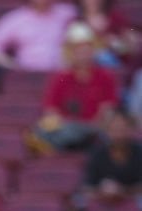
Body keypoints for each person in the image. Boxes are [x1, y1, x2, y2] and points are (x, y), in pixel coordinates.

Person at [30, 21, 119, 153]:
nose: (83, 53)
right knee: (42, 130)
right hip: (67, 128)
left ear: (93, 50)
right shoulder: (60, 78)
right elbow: (51, 110)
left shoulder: (105, 76)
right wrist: (66, 125)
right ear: (70, 52)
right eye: (77, 49)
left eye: (86, 48)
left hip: (95, 130)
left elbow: (108, 109)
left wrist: (91, 126)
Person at [0, 0, 77, 74]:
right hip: (28, 77)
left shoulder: (68, 13)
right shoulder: (16, 19)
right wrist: (9, 63)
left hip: (62, 76)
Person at [82, 107, 142, 206]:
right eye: (114, 129)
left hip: (135, 207)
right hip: (102, 205)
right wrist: (103, 190)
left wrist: (123, 190)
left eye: (123, 129)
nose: (119, 135)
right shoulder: (97, 154)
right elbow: (87, 187)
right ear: (107, 131)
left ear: (131, 129)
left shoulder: (140, 152)